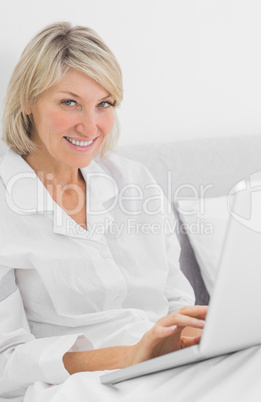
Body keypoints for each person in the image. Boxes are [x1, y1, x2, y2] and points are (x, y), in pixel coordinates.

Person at [0, 22, 207, 400]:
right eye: (69, 102)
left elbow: (178, 301)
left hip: (170, 365)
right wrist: (129, 356)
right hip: (79, 384)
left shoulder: (134, 180)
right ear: (27, 102)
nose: (91, 126)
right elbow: (4, 362)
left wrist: (202, 335)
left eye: (104, 104)